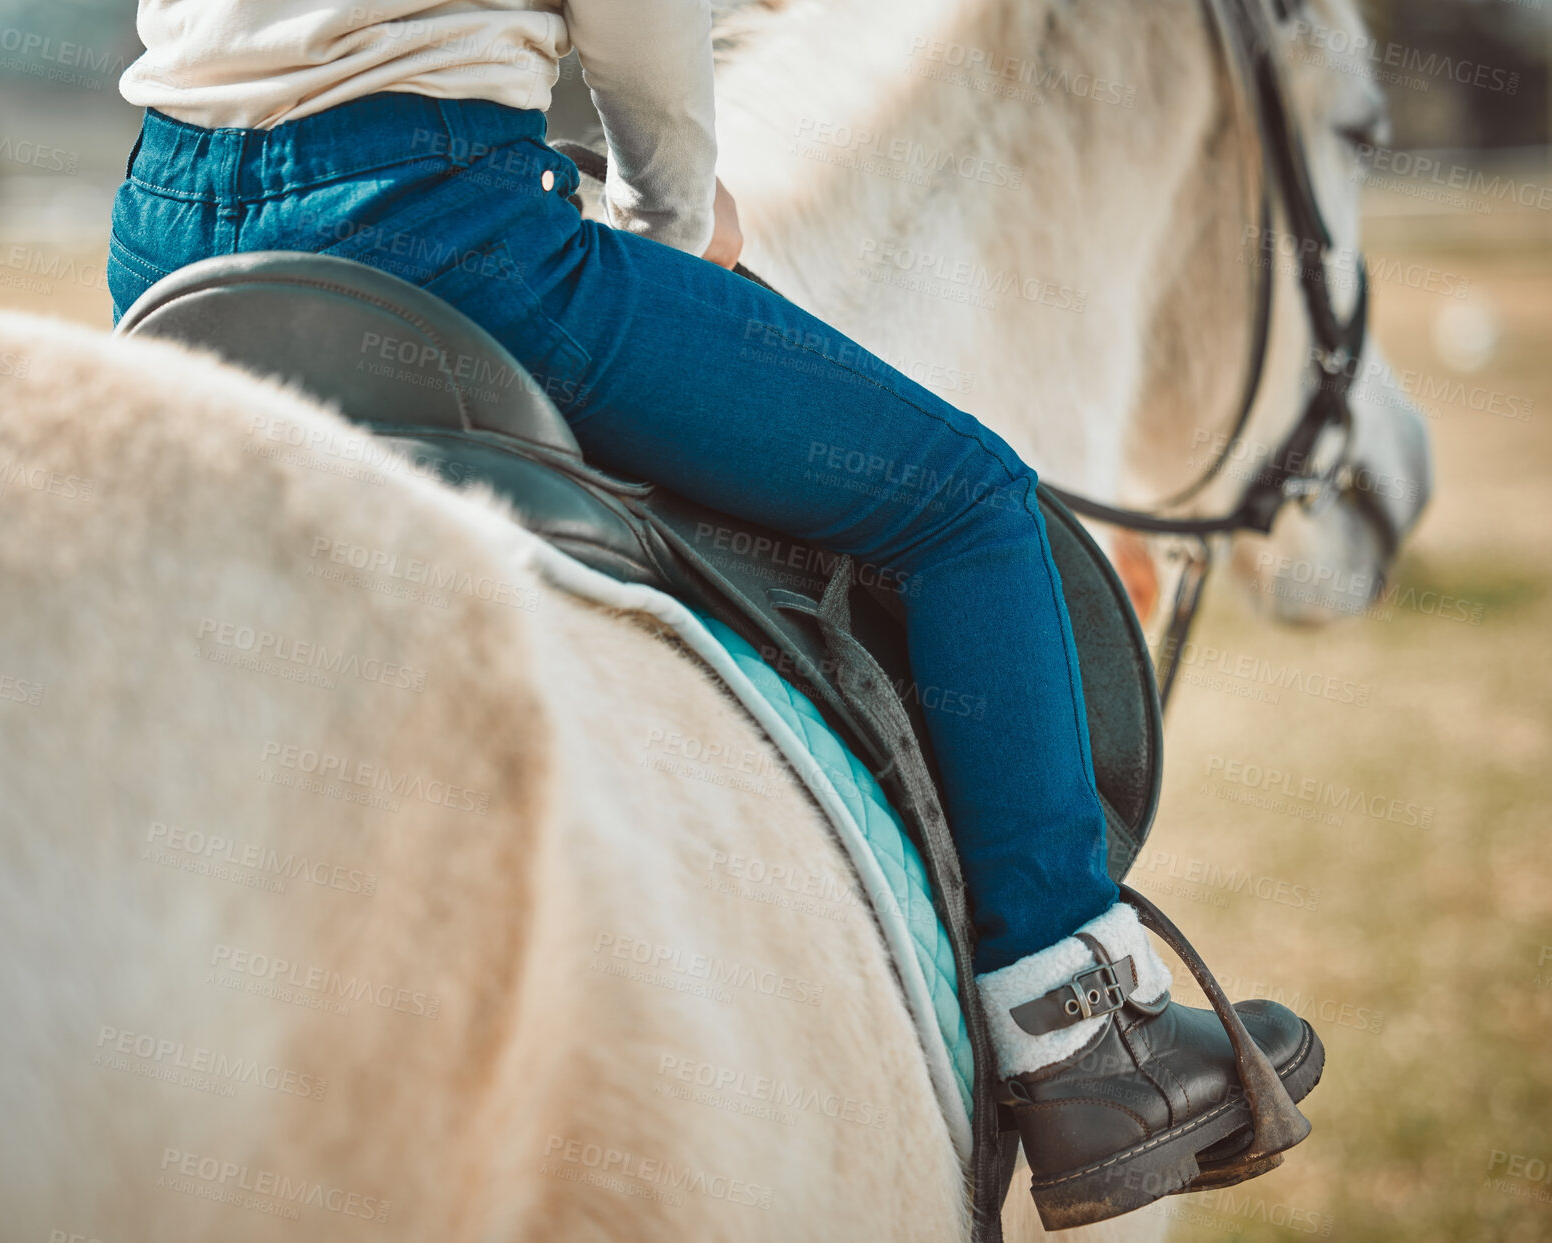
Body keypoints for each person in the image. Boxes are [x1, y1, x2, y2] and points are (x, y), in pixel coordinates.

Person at [108, 0, 1320, 1225]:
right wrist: (672, 217)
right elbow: (641, 43)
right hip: (441, 223)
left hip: (164, 225)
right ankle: (1079, 1043)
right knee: (966, 509)